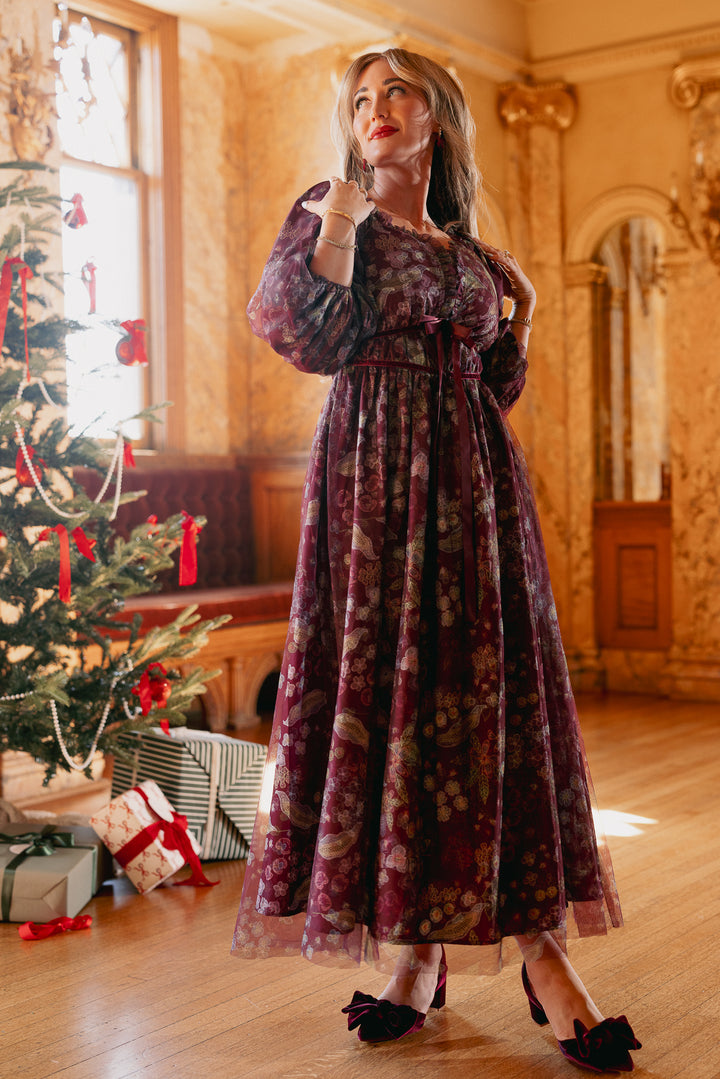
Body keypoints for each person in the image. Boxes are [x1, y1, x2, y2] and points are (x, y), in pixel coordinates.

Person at [232, 47, 641, 1074]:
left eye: (396, 94)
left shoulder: (471, 256)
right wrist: (335, 217)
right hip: (375, 484)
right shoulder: (335, 216)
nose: (375, 111)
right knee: (399, 699)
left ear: (440, 118)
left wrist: (523, 317)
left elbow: (490, 385)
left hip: (476, 489)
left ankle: (424, 958)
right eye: (361, 100)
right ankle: (528, 963)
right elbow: (301, 332)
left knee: (475, 700)